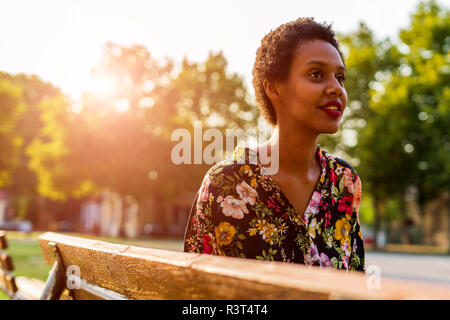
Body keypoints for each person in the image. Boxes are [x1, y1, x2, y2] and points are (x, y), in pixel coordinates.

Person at [184, 17, 364, 272]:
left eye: (340, 78)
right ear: (273, 87)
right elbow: (194, 292)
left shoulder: (344, 182)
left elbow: (356, 281)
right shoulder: (224, 183)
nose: (336, 88)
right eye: (316, 74)